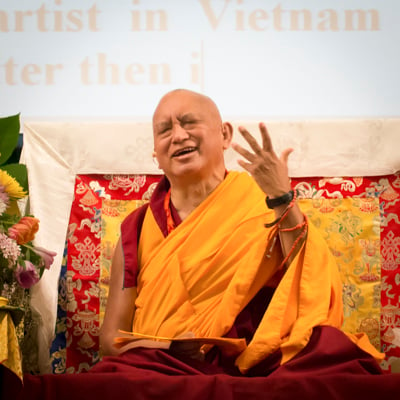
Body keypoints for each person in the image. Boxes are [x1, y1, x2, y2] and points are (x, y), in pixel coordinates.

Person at [9, 89, 400, 400]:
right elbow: (112, 343)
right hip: (164, 366)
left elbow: (309, 277)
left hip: (259, 360)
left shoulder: (262, 199)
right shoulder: (136, 228)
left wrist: (282, 197)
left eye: (189, 122)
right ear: (156, 154)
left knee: (335, 365)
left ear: (224, 134)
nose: (178, 134)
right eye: (165, 129)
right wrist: (171, 346)